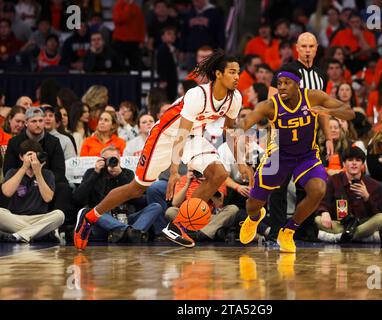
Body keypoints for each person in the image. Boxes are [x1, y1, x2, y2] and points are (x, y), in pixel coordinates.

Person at [73, 50, 252, 250]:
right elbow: (180, 135)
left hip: (193, 138)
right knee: (137, 188)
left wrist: (242, 162)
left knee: (219, 174)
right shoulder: (198, 95)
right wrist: (174, 171)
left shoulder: (234, 97)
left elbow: (229, 131)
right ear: (218, 74)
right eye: (232, 72)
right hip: (164, 138)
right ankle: (89, 217)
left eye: (238, 72)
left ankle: (178, 225)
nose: (237, 77)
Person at [238, 66, 354, 253]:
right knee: (252, 206)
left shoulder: (314, 97)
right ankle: (253, 218)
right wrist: (241, 159)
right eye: (279, 84)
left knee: (318, 189)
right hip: (278, 156)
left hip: (306, 155)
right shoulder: (269, 106)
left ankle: (289, 230)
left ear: (298, 85)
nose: (282, 87)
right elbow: (240, 126)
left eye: (287, 83)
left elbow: (349, 112)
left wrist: (326, 111)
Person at [266, 32, 330, 241]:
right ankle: (276, 231)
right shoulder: (283, 72)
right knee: (278, 186)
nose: (308, 50)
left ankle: (304, 230)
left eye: (311, 46)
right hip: (283, 138)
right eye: (304, 46)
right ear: (297, 48)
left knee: (309, 184)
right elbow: (270, 106)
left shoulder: (321, 76)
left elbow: (323, 108)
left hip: (308, 140)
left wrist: (328, 137)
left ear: (317, 48)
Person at [73, 146, 165, 243]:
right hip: (103, 220)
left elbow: (137, 199)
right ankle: (131, 232)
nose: (111, 162)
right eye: (108, 159)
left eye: (114, 159)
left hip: (126, 217)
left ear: (120, 160)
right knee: (91, 211)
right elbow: (78, 198)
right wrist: (96, 174)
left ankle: (125, 232)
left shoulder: (127, 173)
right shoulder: (92, 173)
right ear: (101, 160)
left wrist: (120, 175)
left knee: (156, 207)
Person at [315, 146, 382, 243]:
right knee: (318, 219)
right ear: (344, 163)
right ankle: (361, 237)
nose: (354, 163)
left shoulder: (374, 185)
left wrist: (367, 197)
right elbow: (323, 202)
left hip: (363, 223)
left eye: (357, 160)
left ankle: (340, 237)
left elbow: (379, 213)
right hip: (340, 224)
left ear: (362, 164)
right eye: (350, 160)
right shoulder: (333, 180)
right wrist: (324, 212)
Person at [0, 139, 64, 243]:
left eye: (35, 155)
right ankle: (43, 234)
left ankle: (19, 235)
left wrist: (38, 173)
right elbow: (7, 192)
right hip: (16, 218)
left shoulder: (47, 174)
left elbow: (48, 198)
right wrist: (24, 167)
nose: (33, 158)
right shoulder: (13, 172)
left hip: (39, 218)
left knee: (59, 215)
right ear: (21, 157)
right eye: (29, 155)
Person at [164, 166, 239, 242]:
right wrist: (187, 183)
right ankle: (211, 232)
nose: (199, 173)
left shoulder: (217, 180)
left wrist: (209, 184)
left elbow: (219, 204)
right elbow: (175, 203)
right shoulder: (183, 179)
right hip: (188, 215)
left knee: (233, 209)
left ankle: (198, 234)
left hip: (209, 217)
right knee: (170, 211)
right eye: (194, 171)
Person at [111, 0, 146, 71]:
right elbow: (119, 19)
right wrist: (128, 6)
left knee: (137, 67)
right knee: (118, 67)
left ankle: (136, 81)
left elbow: (141, 25)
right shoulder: (118, 5)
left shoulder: (136, 8)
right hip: (120, 41)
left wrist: (142, 40)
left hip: (134, 43)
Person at [156, 25, 179, 101]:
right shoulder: (162, 49)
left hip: (172, 79)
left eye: (173, 34)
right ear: (163, 37)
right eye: (169, 34)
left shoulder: (172, 48)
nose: (172, 36)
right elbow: (161, 65)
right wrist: (163, 79)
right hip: (166, 80)